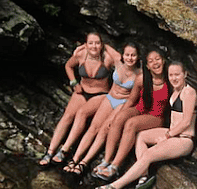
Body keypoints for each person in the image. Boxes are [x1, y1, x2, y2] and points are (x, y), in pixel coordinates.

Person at [95, 61, 197, 189]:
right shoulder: (175, 91)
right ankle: (144, 176)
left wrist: (168, 135)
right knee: (141, 136)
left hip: (184, 139)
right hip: (173, 134)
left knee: (149, 154)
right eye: (171, 75)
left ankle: (114, 186)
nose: (174, 78)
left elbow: (186, 122)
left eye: (177, 75)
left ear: (185, 74)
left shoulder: (189, 92)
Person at [90, 48, 170, 181]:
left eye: (158, 59)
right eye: (151, 61)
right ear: (147, 66)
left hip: (156, 117)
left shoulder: (169, 80)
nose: (155, 63)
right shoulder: (141, 79)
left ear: (164, 61)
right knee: (120, 118)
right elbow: (132, 100)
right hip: (140, 109)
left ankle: (115, 167)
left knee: (131, 123)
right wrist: (117, 116)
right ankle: (106, 161)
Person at [63, 42, 141, 175]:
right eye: (127, 54)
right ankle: (75, 158)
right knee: (93, 127)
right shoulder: (117, 60)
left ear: (138, 57)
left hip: (123, 102)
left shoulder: (140, 74)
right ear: (122, 55)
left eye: (133, 55)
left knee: (105, 129)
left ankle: (84, 162)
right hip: (110, 98)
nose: (130, 58)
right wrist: (81, 47)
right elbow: (101, 44)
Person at [38, 32, 116, 166]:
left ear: (102, 44)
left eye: (97, 43)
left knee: (81, 113)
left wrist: (107, 46)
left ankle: (64, 150)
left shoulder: (107, 58)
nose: (94, 46)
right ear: (86, 44)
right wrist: (74, 82)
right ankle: (50, 151)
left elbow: (121, 60)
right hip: (81, 90)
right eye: (91, 43)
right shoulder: (81, 54)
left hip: (100, 94)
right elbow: (68, 66)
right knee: (67, 116)